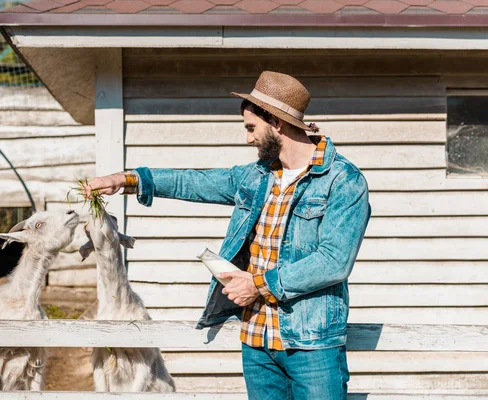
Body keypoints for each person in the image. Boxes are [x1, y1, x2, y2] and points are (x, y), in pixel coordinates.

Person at [82, 71, 371, 399]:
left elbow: (333, 261)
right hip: (257, 343)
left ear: (276, 122)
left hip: (312, 344)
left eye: (251, 128)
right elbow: (194, 182)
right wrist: (128, 179)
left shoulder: (343, 181)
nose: (248, 139)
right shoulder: (257, 177)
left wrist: (257, 285)